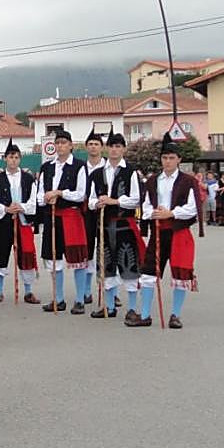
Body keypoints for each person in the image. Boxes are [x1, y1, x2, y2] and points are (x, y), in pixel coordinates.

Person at [129, 133, 201, 329]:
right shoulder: (153, 181)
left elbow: (192, 207)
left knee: (180, 274)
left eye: (171, 158)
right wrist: (152, 213)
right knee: (149, 273)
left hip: (179, 232)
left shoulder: (188, 181)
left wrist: (171, 213)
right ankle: (144, 315)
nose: (167, 161)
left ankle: (175, 315)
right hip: (158, 231)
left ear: (179, 160)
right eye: (164, 158)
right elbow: (144, 204)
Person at [87, 132, 143, 319]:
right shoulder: (97, 174)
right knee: (106, 265)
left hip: (124, 225)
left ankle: (133, 308)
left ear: (124, 149)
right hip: (103, 226)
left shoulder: (131, 172)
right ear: (106, 148)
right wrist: (97, 203)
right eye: (111, 146)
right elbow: (90, 200)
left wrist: (114, 201)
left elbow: (136, 199)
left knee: (129, 266)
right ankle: (109, 307)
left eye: (118, 146)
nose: (114, 149)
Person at [35, 130, 89, 313]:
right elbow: (39, 194)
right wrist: (45, 198)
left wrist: (59, 193)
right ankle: (58, 299)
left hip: (71, 216)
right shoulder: (47, 167)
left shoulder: (79, 166)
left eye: (64, 142)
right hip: (52, 217)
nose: (60, 146)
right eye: (57, 143)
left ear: (71, 145)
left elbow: (81, 194)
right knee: (53, 258)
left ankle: (80, 299)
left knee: (77, 259)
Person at [0, 140, 39, 305]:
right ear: (5, 159)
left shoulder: (29, 179)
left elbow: (33, 200)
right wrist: (5, 209)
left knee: (26, 255)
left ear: (20, 159)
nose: (13, 160)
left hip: (22, 222)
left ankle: (28, 291)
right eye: (10, 157)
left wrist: (21, 207)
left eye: (16, 157)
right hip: (4, 222)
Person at [80, 128, 107, 309]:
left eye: (96, 144)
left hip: (107, 212)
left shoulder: (108, 167)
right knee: (88, 252)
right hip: (87, 213)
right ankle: (86, 290)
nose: (93, 147)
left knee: (106, 251)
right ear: (86, 147)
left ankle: (108, 290)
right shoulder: (81, 168)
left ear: (102, 147)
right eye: (90, 144)